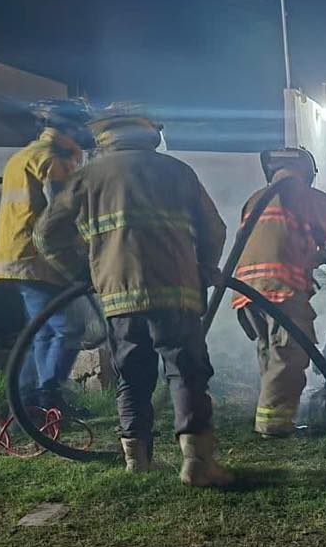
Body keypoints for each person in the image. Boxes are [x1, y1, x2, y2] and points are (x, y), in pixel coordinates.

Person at [35, 104, 233, 486]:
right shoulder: (177, 171)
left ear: (105, 137)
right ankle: (196, 463)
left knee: (132, 374)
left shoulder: (87, 176)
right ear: (148, 134)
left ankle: (136, 460)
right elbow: (215, 229)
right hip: (177, 292)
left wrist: (81, 273)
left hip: (119, 295)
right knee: (186, 373)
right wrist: (207, 268)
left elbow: (46, 235)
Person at [232, 147, 326, 437]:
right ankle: (274, 425)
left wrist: (313, 248)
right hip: (281, 289)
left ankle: (267, 417)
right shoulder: (306, 196)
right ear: (306, 172)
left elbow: (278, 241)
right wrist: (325, 243)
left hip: (245, 291)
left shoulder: (254, 199)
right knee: (289, 355)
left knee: (269, 352)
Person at [0, 98, 92, 411]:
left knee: (43, 331)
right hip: (40, 258)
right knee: (68, 329)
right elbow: (59, 217)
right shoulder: (54, 160)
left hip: (17, 256)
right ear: (72, 128)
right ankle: (48, 396)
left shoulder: (22, 156)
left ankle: (29, 403)